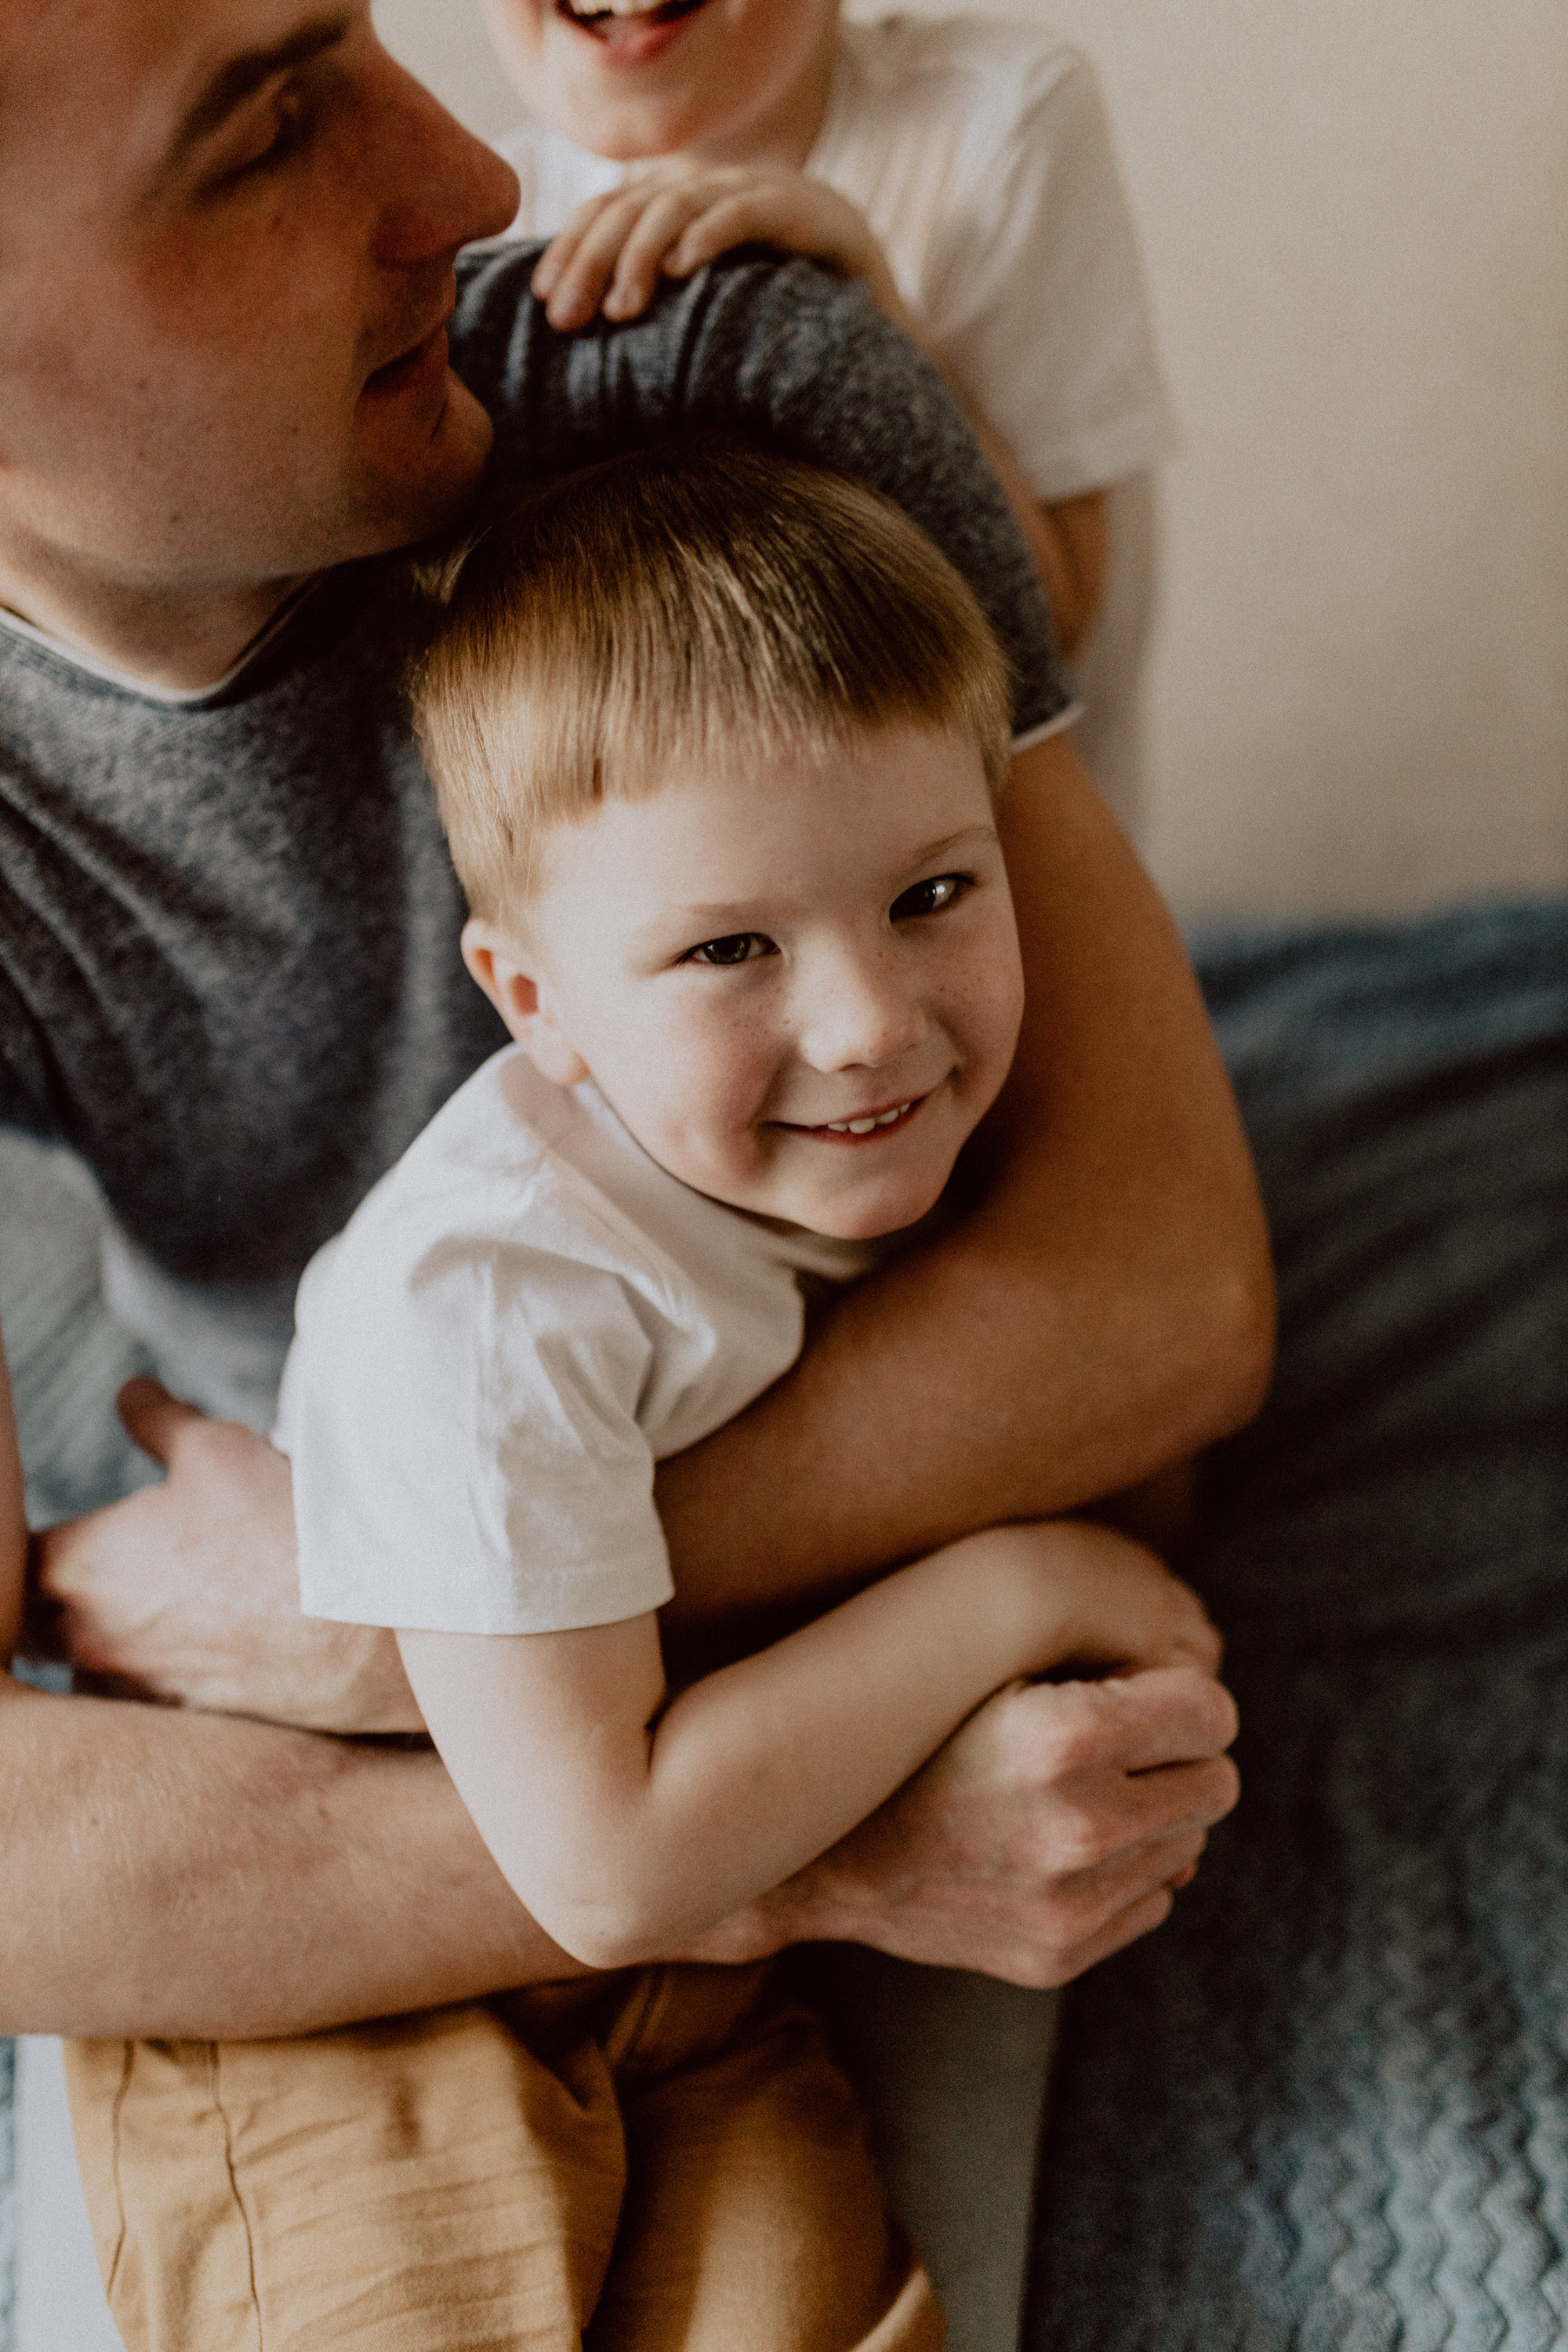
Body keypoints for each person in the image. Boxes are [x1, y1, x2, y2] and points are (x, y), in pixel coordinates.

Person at [0, 0, 1264, 2325]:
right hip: (427, 1630)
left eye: (362, 36)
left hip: (520, 1595)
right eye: (265, 130)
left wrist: (405, 1624)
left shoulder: (718, 368)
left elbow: (1161, 1294)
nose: (484, 180)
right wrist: (813, 1844)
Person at [481, 0, 1178, 815]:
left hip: (1004, 870)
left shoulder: (991, 118)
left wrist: (867, 322)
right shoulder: (490, 221)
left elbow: (1051, 635)